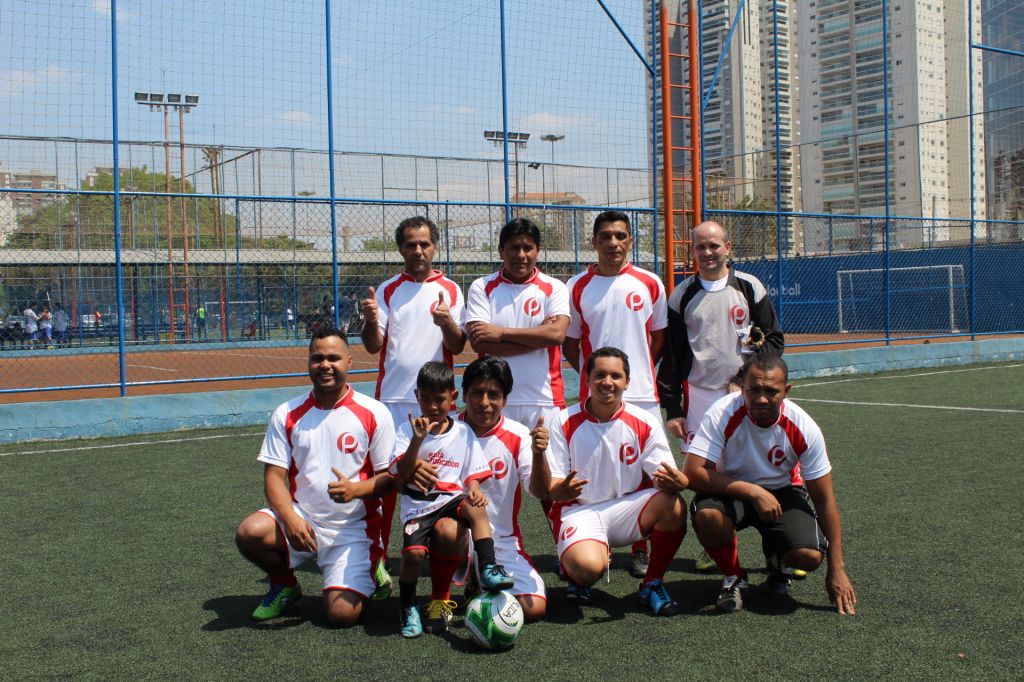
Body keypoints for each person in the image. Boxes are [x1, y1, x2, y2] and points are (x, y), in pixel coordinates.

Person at [233, 328, 397, 626]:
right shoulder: (287, 413)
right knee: (250, 532)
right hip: (303, 518)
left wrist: (356, 490)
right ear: (308, 361)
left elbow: (389, 479)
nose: (325, 365)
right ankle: (284, 584)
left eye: (334, 358)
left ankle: (372, 565)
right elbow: (274, 478)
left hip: (352, 529)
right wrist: (290, 518)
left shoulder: (375, 412)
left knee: (341, 616)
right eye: (317, 358)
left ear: (349, 361)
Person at [656, 220, 786, 574]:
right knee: (706, 473)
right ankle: (716, 545)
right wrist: (674, 409)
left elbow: (774, 341)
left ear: (728, 247)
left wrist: (744, 379)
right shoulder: (681, 295)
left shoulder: (749, 286)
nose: (708, 252)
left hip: (747, 396)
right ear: (692, 251)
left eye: (714, 245)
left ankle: (775, 544)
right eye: (700, 246)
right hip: (700, 396)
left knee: (758, 464)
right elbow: (672, 356)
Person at [682, 353, 857, 615]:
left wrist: (837, 569)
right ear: (742, 387)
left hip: (783, 493)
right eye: (753, 390)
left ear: (786, 390)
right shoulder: (722, 412)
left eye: (771, 391)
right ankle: (734, 577)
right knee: (708, 517)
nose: (761, 399)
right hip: (731, 490)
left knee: (809, 557)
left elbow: (824, 500)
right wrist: (753, 491)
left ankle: (777, 563)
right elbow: (693, 472)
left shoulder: (804, 427)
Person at [531, 347, 688, 615]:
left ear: (627, 381)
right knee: (586, 569)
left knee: (673, 505)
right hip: (581, 511)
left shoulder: (644, 420)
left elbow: (666, 477)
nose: (607, 382)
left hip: (627, 509)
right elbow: (552, 490)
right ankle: (576, 571)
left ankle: (652, 583)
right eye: (599, 375)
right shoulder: (563, 421)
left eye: (616, 376)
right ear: (587, 379)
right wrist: (562, 490)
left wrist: (679, 481)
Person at [361, 215, 467, 593]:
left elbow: (457, 345)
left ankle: (451, 553)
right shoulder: (388, 290)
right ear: (401, 249)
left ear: (435, 247)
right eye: (411, 244)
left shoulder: (450, 289)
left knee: (442, 480)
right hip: (391, 403)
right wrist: (370, 320)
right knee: (388, 482)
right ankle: (376, 559)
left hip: (435, 404)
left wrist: (445, 322)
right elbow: (373, 344)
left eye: (424, 243)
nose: (418, 250)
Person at [564, 209, 668, 579]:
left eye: (620, 236)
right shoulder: (576, 286)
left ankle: (641, 548)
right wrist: (597, 380)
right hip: (596, 400)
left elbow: (658, 338)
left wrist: (631, 377)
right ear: (594, 242)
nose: (613, 243)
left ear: (630, 241)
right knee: (593, 471)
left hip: (642, 396)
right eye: (605, 236)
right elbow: (570, 343)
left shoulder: (650, 282)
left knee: (648, 476)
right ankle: (591, 540)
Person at [390, 361, 514, 638]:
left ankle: (488, 566)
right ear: (416, 396)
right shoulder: (406, 431)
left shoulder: (463, 431)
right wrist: (417, 441)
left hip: (451, 499)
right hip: (420, 506)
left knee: (475, 507)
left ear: (453, 397)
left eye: (440, 399)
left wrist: (474, 486)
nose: (433, 406)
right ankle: (407, 605)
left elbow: (471, 469)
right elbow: (402, 473)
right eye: (425, 399)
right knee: (413, 556)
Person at [454, 356, 547, 622]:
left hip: (501, 541)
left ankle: (479, 583)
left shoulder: (518, 435)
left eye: (494, 394)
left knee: (534, 609)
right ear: (464, 395)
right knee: (447, 531)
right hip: (455, 538)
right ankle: (448, 586)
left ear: (505, 399)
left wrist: (539, 454)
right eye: (477, 393)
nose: (484, 402)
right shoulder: (446, 431)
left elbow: (540, 491)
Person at [465, 217, 570, 430]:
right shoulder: (481, 287)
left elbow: (557, 335)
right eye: (514, 248)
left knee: (547, 454)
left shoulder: (554, 287)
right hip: (496, 400)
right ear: (501, 251)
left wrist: (501, 333)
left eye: (527, 248)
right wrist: (539, 337)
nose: (521, 255)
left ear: (537, 251)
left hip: (545, 399)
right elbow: (480, 343)